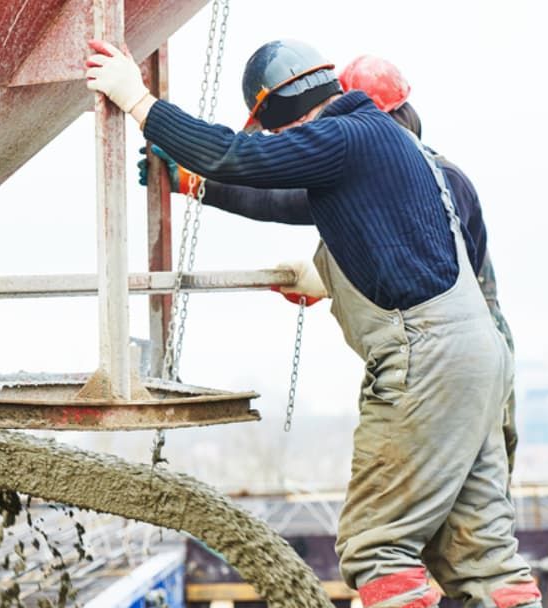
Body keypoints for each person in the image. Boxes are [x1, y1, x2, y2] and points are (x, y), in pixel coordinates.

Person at [86, 38, 548, 608]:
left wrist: (139, 101)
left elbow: (241, 157)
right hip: (478, 359)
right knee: (481, 546)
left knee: (378, 543)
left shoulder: (343, 137)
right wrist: (197, 186)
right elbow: (285, 197)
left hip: (425, 360)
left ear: (276, 111)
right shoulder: (392, 149)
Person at [140, 54, 519, 482]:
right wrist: (197, 184)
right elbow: (283, 199)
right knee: (467, 525)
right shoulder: (388, 170)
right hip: (457, 362)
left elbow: (415, 274)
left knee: (400, 522)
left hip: (455, 366)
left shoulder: (436, 177)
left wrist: (327, 282)